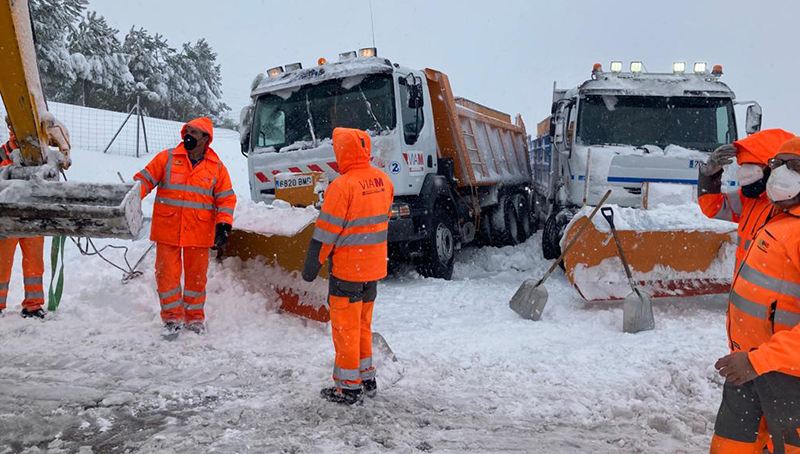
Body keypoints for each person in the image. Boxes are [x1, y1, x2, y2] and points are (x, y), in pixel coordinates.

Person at [710, 137, 800, 453]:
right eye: (778, 165)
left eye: (795, 167)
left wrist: (757, 360)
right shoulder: (778, 217)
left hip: (787, 375)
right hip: (747, 364)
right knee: (731, 444)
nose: (780, 175)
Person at [302, 127, 394, 405]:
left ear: (344, 151)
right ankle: (366, 377)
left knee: (345, 329)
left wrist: (311, 266)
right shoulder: (383, 180)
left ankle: (348, 388)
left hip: (347, 272)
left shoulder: (342, 186)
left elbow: (326, 233)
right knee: (363, 325)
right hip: (373, 270)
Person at [133, 117, 236, 336]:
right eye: (187, 130)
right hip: (167, 229)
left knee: (196, 279)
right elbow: (143, 182)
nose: (188, 135)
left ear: (205, 139)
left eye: (194, 132)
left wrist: (224, 224)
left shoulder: (216, 167)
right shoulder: (167, 159)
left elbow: (226, 199)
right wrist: (128, 202)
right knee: (166, 276)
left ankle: (195, 319)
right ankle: (172, 319)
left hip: (199, 232)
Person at [698, 129, 795, 272]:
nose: (745, 172)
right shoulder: (750, 199)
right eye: (744, 164)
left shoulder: (792, 206)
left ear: (776, 167)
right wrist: (710, 174)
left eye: (753, 164)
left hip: (770, 293)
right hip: (743, 289)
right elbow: (714, 208)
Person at [0, 116, 46, 319]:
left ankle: (33, 305)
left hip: (32, 217)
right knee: (1, 263)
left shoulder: (39, 156)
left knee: (35, 263)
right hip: (7, 218)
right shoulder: (2, 154)